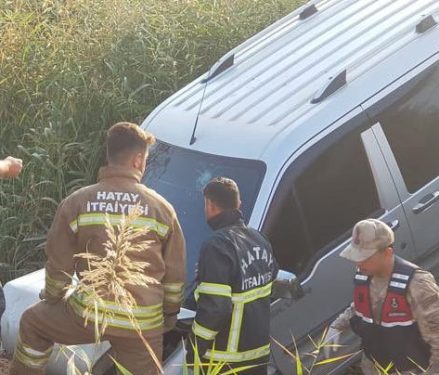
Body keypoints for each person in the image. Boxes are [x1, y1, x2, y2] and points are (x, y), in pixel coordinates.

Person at [9, 122, 186, 375]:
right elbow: (175, 275)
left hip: (88, 315)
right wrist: (168, 316)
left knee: (32, 322)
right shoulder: (161, 208)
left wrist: (53, 298)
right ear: (138, 160)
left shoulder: (78, 201)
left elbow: (58, 266)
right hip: (141, 322)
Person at [186, 177, 278, 375]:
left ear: (209, 205)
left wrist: (194, 347)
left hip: (223, 361)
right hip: (258, 357)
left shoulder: (217, 245)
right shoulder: (259, 239)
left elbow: (216, 309)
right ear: (239, 204)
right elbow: (270, 278)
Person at [324, 219, 439, 374]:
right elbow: (359, 306)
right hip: (375, 366)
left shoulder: (417, 284)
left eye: (364, 257)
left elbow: (437, 338)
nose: (358, 263)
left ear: (387, 253)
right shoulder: (365, 275)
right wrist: (337, 326)